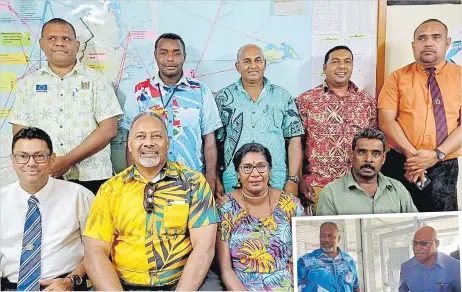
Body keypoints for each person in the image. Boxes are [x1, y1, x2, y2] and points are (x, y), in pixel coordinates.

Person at [83, 112, 221, 291]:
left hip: (182, 283)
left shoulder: (193, 183)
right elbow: (95, 252)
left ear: (168, 143)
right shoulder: (110, 189)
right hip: (122, 285)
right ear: (130, 145)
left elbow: (204, 247)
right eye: (141, 137)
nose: (148, 143)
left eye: (156, 136)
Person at [8, 18, 123, 195]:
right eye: (52, 38)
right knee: (48, 223)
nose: (59, 43)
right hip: (44, 176)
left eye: (66, 39)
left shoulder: (97, 81)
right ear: (41, 44)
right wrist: (42, 162)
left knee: (93, 223)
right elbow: (20, 133)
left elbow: (109, 129)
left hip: (92, 176)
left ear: (77, 45)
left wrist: (67, 160)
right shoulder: (28, 84)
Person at [121, 33, 222, 194]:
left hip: (192, 182)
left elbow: (209, 142)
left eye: (176, 53)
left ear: (184, 56)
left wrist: (210, 181)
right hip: (150, 183)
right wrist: (134, 186)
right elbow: (131, 143)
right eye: (164, 53)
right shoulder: (140, 92)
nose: (170, 58)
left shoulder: (201, 91)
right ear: (155, 56)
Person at [378, 19, 461, 212]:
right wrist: (413, 156)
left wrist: (436, 154)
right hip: (402, 162)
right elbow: (386, 121)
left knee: (439, 228)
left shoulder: (460, 76)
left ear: (447, 43)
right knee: (396, 224)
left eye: (436, 37)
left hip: (444, 164)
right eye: (422, 38)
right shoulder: (397, 77)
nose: (428, 43)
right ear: (413, 45)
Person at [0, 127, 94, 291]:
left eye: (39, 156)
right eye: (22, 156)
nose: (31, 163)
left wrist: (70, 281)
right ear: (13, 161)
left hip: (63, 286)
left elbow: (98, 251)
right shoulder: (2, 199)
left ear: (52, 159)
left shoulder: (80, 196)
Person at [215, 44, 304, 199]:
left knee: (277, 223)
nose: (253, 66)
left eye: (258, 60)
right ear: (238, 66)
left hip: (277, 179)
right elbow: (215, 143)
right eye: (247, 61)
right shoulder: (224, 98)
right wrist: (215, 178)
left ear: (265, 64)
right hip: (234, 179)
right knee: (237, 223)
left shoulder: (282, 96)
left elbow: (295, 140)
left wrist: (293, 179)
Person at [296, 45, 377, 214]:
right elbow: (296, 144)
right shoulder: (306, 101)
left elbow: (374, 145)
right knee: (325, 237)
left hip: (358, 186)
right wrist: (299, 180)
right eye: (335, 61)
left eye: (347, 62)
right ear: (324, 68)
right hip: (318, 186)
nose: (342, 66)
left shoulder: (367, 102)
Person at [217, 143, 305, 291]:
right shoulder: (226, 208)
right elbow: (226, 270)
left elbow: (304, 259)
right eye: (247, 167)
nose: (255, 173)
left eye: (261, 166)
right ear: (238, 173)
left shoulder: (291, 205)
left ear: (269, 170)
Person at [316, 128, 418, 215]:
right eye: (362, 152)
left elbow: (414, 226)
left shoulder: (398, 190)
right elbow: (327, 232)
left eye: (376, 154)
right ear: (351, 155)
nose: (368, 159)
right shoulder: (331, 193)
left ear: (383, 158)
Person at [297, 222, 360, 292]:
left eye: (330, 236)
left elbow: (355, 287)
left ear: (338, 238)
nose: (326, 239)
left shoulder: (349, 261)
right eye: (322, 235)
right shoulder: (304, 261)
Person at [399, 226, 460, 291]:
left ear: (436, 244)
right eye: (415, 243)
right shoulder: (406, 267)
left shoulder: (455, 266)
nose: (417, 248)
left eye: (423, 243)